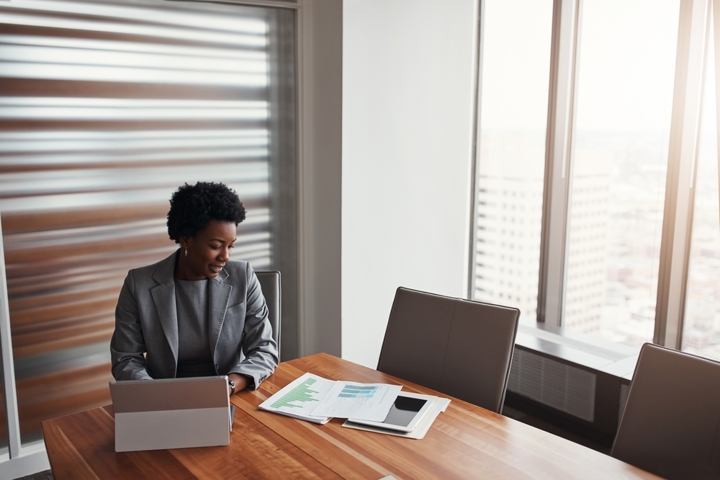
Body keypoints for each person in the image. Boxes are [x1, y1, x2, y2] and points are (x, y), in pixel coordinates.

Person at [110, 181, 278, 394]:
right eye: (216, 246)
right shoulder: (138, 284)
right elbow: (126, 359)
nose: (225, 256)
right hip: (163, 399)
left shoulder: (243, 277)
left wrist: (228, 386)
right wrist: (155, 394)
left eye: (230, 246)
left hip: (230, 395)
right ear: (186, 239)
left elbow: (264, 349)